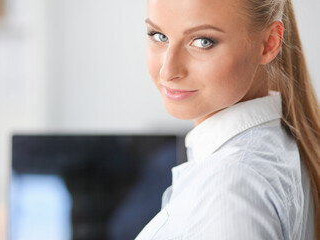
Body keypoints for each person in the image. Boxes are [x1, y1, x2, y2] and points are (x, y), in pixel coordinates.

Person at [135, 0, 320, 239]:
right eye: (159, 35)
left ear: (269, 44)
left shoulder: (231, 187)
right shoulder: (281, 144)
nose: (168, 71)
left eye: (203, 41)